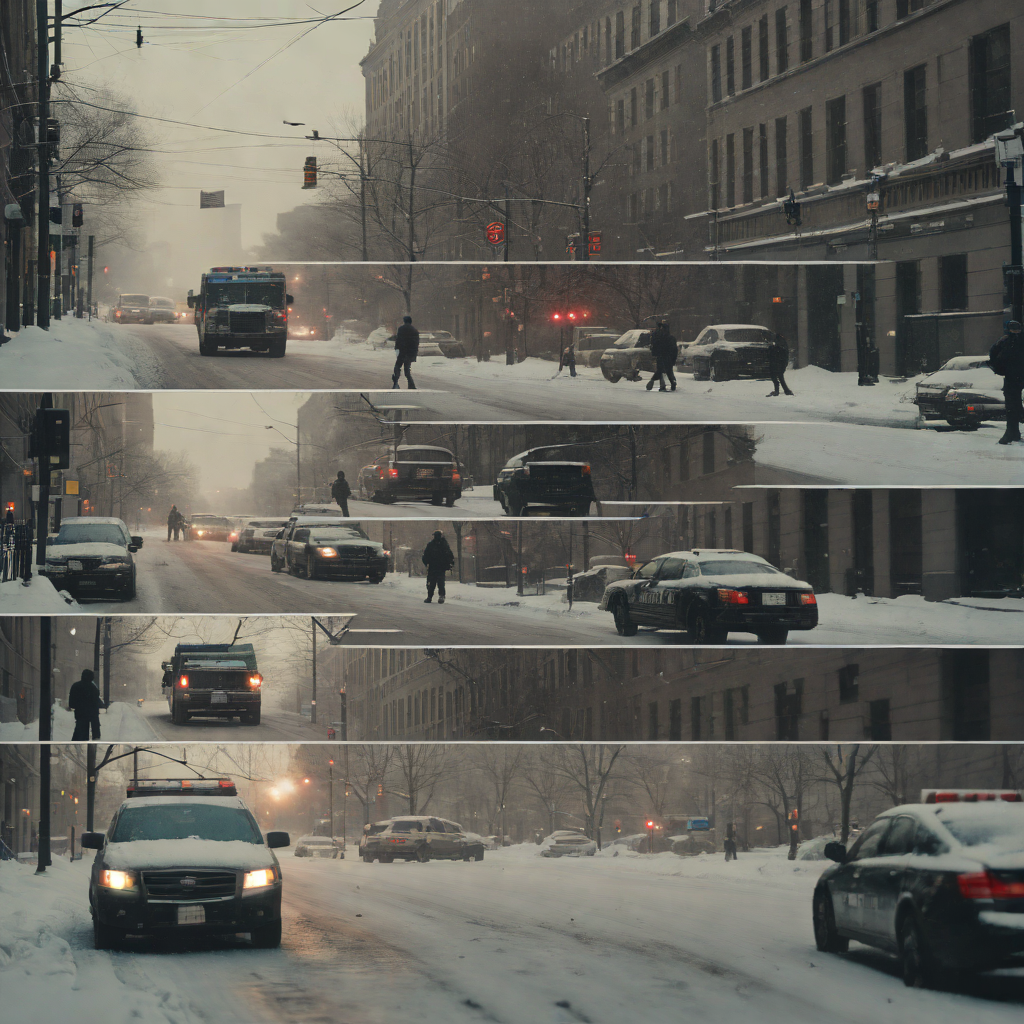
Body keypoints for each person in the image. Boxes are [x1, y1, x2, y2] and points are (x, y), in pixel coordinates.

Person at [990, 319, 1024, 445]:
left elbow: (993, 353)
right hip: (1016, 376)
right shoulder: (1011, 341)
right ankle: (1013, 431)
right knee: (1013, 404)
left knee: (1011, 405)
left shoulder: (1005, 341)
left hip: (1011, 376)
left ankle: (1012, 432)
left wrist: (1000, 368)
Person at [68, 668, 104, 741]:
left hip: (80, 715)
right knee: (95, 737)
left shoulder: (75, 686)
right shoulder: (94, 688)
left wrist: (79, 706)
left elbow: (71, 704)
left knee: (79, 736)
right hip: (93, 715)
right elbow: (97, 703)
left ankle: (77, 750)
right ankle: (91, 749)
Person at [422, 530, 455, 604]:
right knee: (439, 583)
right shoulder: (443, 545)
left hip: (435, 567)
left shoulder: (433, 545)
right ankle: (439, 596)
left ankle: (431, 597)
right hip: (439, 567)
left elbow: (425, 556)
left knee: (433, 583)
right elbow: (449, 555)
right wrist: (449, 564)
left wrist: (427, 563)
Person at [645, 321, 678, 392]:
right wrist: (674, 359)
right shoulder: (671, 338)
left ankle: (655, 382)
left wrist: (655, 353)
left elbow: (655, 345)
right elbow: (675, 350)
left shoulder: (659, 337)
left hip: (661, 356)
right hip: (669, 357)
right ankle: (672, 382)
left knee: (660, 370)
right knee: (668, 370)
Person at [392, 315, 419, 390]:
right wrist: (414, 353)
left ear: (404, 321)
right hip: (410, 353)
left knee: (398, 366)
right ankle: (411, 385)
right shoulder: (414, 330)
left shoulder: (401, 329)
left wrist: (397, 348)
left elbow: (399, 340)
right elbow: (416, 343)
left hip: (403, 352)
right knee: (407, 369)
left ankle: (396, 382)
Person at [767, 332, 794, 396]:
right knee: (779, 376)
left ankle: (779, 390)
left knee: (775, 376)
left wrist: (772, 348)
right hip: (780, 362)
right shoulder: (781, 342)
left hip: (777, 362)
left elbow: (778, 351)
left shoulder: (779, 342)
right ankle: (785, 390)